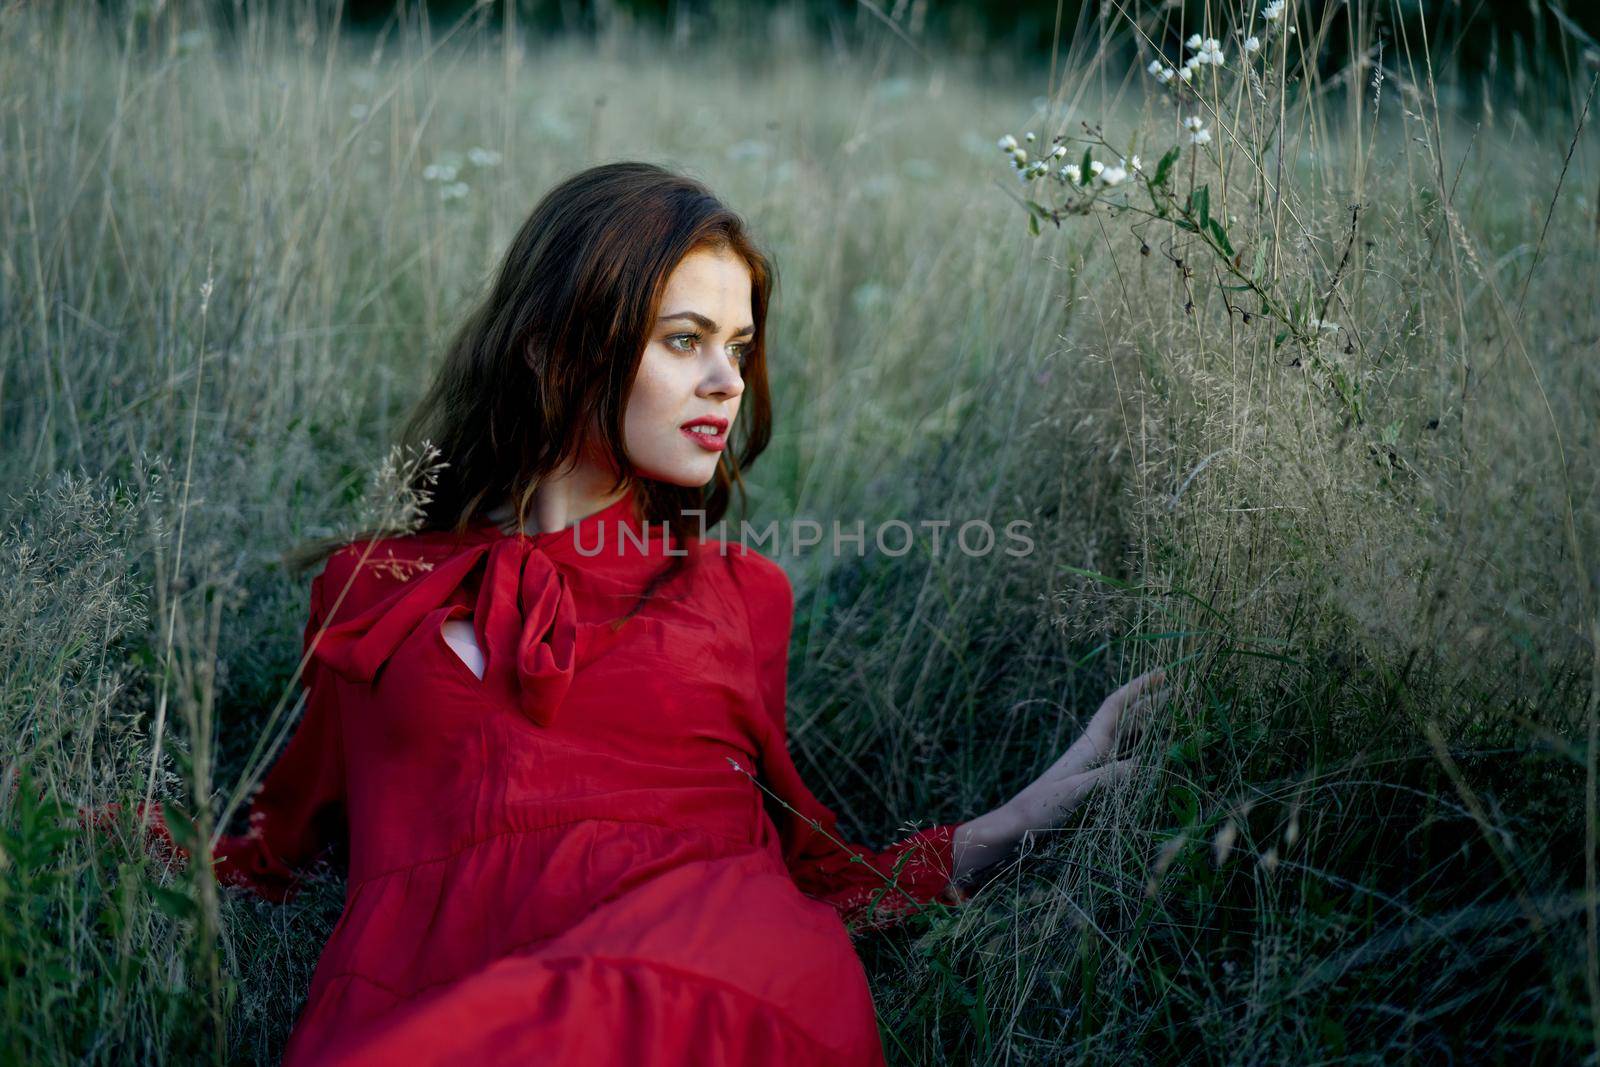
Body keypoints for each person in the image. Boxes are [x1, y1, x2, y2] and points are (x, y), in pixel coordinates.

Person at [192, 161, 1165, 1065]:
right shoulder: (372, 587)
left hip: (717, 970)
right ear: (552, 349)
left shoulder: (739, 594)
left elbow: (810, 867)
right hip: (429, 1004)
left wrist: (1020, 817)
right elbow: (279, 834)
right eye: (684, 340)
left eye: (738, 347)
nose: (728, 382)